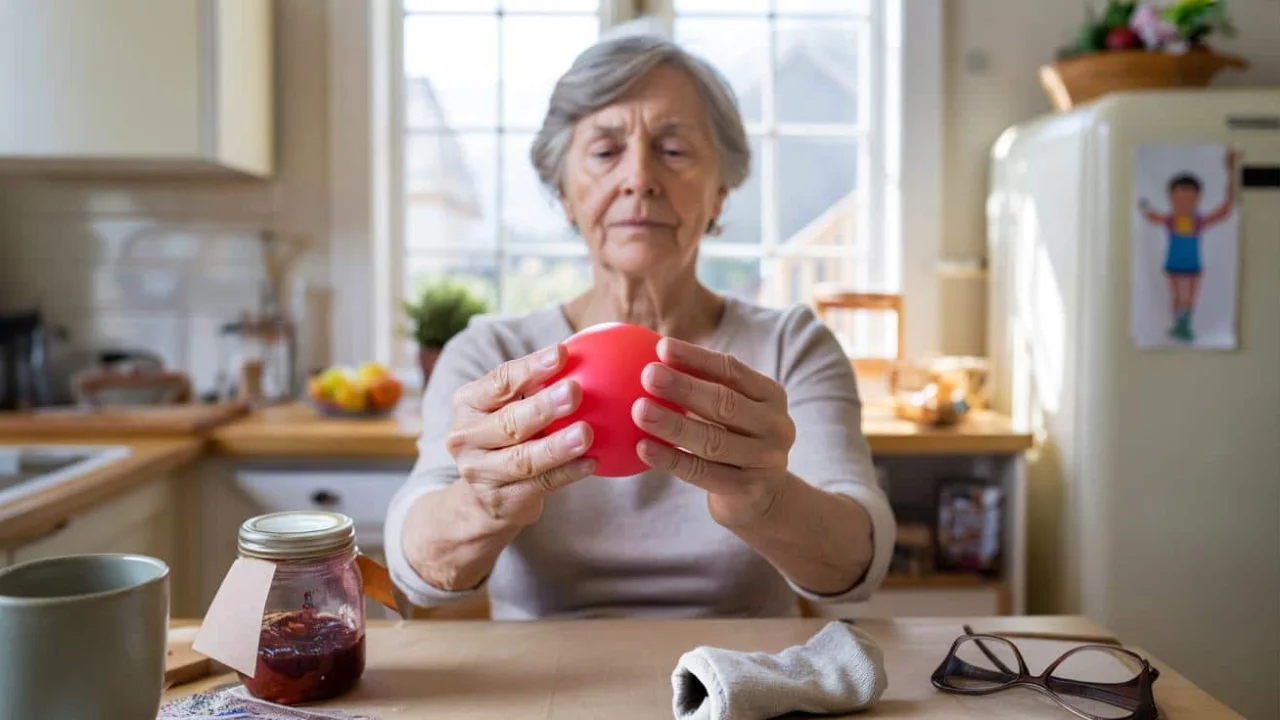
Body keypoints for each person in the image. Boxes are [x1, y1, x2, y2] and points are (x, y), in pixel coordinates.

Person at [383, 34, 895, 620]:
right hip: (549, 692)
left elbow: (858, 566)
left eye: (673, 150)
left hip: (743, 687)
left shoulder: (789, 347)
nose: (639, 178)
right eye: (604, 152)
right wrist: (481, 502)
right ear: (564, 192)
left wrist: (768, 499)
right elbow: (418, 569)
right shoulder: (493, 357)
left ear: (721, 193)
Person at [1138, 149, 1237, 342]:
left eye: (1189, 199)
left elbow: (1223, 212)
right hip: (1174, 265)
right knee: (1177, 297)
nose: (1183, 203)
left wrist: (1231, 185)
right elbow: (1152, 216)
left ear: (1197, 200)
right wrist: (1143, 207)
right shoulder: (1171, 220)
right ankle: (1179, 326)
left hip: (1193, 266)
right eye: (1178, 199)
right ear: (1171, 199)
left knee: (1189, 298)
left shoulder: (1198, 221)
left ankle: (1184, 325)